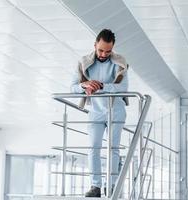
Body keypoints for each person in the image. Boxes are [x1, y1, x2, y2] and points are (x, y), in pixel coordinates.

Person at [70, 29, 128, 197]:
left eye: (108, 51)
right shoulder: (84, 62)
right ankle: (95, 186)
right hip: (95, 111)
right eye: (101, 50)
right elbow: (73, 87)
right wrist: (85, 85)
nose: (104, 54)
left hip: (115, 110)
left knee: (113, 148)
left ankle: (110, 185)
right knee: (93, 148)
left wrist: (102, 86)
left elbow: (123, 88)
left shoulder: (120, 62)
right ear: (95, 45)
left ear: (113, 48)